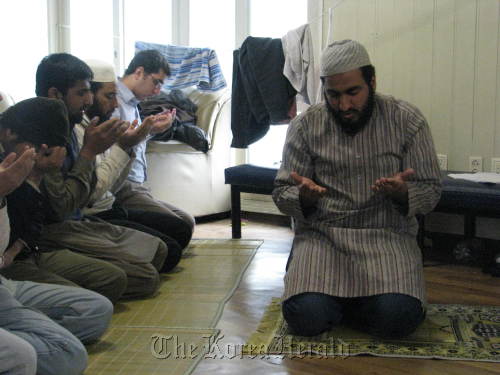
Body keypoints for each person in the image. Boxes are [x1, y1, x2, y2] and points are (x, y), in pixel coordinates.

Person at [273, 40, 442, 339]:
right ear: (324, 90)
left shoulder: (407, 120)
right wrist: (303, 197)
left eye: (353, 92)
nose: (345, 105)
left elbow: (430, 190)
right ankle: (339, 298)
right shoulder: (304, 126)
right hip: (323, 238)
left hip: (386, 237)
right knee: (305, 318)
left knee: (399, 318)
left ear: (372, 81)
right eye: (333, 95)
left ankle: (341, 302)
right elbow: (282, 192)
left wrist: (403, 193)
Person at [0, 98, 113, 375]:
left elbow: (64, 208)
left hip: (22, 254)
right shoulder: (27, 141)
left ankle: (29, 328)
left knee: (97, 307)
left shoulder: (59, 132)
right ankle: (32, 333)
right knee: (60, 354)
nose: (87, 103)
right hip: (36, 247)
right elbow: (58, 209)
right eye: (82, 93)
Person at [75, 59, 182, 272]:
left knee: (180, 229)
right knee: (167, 251)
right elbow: (94, 194)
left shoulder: (98, 122)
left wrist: (131, 144)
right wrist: (124, 146)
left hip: (112, 201)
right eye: (109, 96)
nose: (115, 104)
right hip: (95, 214)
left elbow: (111, 185)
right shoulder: (80, 131)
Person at [113, 49, 195, 253]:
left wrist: (151, 130)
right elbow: (116, 145)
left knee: (187, 221)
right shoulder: (114, 101)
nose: (158, 90)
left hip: (137, 185)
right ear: (139, 72)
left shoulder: (132, 103)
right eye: (156, 82)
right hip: (121, 186)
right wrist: (146, 129)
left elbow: (132, 141)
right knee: (181, 227)